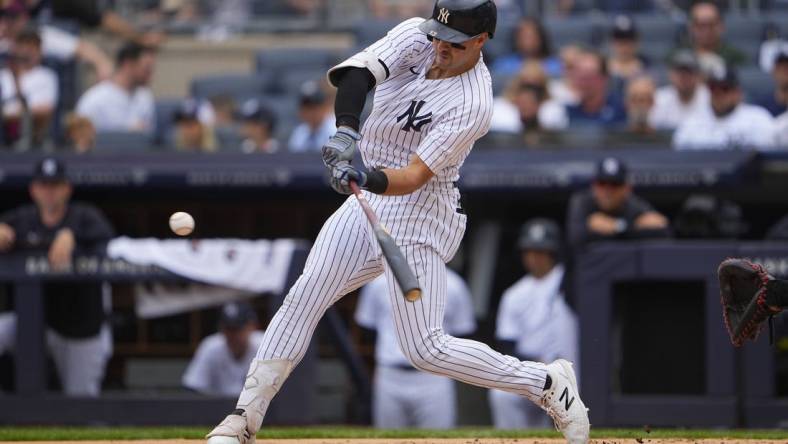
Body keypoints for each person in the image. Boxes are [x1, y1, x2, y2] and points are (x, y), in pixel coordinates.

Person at [206, 1, 590, 443]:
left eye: (453, 43)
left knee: (424, 348)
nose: (439, 47)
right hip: (370, 197)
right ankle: (242, 420)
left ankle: (546, 383)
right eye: (436, 36)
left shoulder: (473, 102)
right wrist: (347, 131)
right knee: (303, 297)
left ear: (481, 41)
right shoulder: (418, 36)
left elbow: (412, 176)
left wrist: (363, 174)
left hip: (423, 209)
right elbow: (358, 75)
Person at [0, 157, 114, 397]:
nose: (49, 191)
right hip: (33, 322)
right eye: (44, 185)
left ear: (67, 188)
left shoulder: (85, 216)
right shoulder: (21, 218)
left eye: (55, 185)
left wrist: (74, 236)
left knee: (81, 400)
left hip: (79, 328)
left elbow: (110, 244)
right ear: (33, 189)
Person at [356, 269, 475, 429]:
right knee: (388, 439)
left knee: (437, 439)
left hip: (434, 376)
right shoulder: (379, 282)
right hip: (391, 373)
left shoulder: (453, 283)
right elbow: (367, 328)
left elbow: (463, 333)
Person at [489, 219, 578, 429]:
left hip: (570, 372)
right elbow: (506, 343)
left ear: (553, 252)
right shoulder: (514, 294)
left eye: (541, 251)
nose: (534, 258)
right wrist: (532, 363)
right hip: (533, 371)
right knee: (501, 394)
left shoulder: (570, 282)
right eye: (529, 251)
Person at [566, 157, 669, 250]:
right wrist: (634, 228)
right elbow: (577, 239)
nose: (608, 191)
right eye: (602, 184)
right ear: (594, 186)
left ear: (627, 189)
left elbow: (664, 231)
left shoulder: (633, 204)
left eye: (615, 184)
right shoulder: (582, 202)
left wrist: (617, 226)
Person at [673, 65, 777, 151]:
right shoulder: (692, 122)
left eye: (725, 88)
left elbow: (766, 159)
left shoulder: (758, 119)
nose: (718, 94)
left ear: (738, 93)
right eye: (713, 88)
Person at [182, 301, 265, 396]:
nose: (233, 335)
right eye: (228, 329)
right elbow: (194, 387)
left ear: (252, 327)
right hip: (217, 408)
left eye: (238, 329)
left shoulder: (264, 346)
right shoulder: (210, 347)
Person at [75, 42, 156, 133]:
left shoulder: (145, 96)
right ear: (128, 64)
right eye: (146, 69)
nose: (150, 76)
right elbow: (80, 141)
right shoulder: (94, 100)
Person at [0, 27, 58, 145]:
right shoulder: (3, 75)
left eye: (32, 47)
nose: (27, 52)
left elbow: (45, 110)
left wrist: (11, 114)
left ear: (39, 51)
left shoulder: (46, 76)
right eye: (23, 46)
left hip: (32, 135)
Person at [490, 61, 568, 134]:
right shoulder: (501, 107)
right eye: (526, 87)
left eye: (536, 88)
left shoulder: (552, 108)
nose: (530, 93)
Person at [650, 50, 710, 130]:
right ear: (671, 75)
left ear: (699, 76)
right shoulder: (659, 98)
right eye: (680, 72)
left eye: (689, 72)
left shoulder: (709, 98)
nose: (684, 77)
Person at [565, 51, 626, 129]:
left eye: (588, 77)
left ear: (604, 78)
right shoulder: (564, 111)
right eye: (579, 77)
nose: (582, 83)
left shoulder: (622, 110)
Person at [681, 2, 746, 71]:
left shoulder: (736, 58)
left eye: (711, 25)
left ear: (722, 26)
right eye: (700, 25)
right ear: (691, 28)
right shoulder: (679, 56)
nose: (706, 31)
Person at [491, 18, 561, 78]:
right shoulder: (503, 65)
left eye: (531, 36)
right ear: (516, 39)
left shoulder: (555, 65)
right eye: (523, 37)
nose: (528, 41)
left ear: (541, 38)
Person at [287, 80, 335, 153]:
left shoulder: (336, 131)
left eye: (315, 107)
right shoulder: (298, 134)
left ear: (325, 108)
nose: (311, 112)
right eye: (307, 108)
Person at [606, 15, 648, 83]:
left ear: (637, 42)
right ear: (612, 42)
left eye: (628, 41)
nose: (624, 46)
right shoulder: (603, 67)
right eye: (620, 41)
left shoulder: (647, 67)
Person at [757, 49, 788, 117]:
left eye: (786, 68)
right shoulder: (762, 107)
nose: (784, 73)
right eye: (780, 69)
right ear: (773, 72)